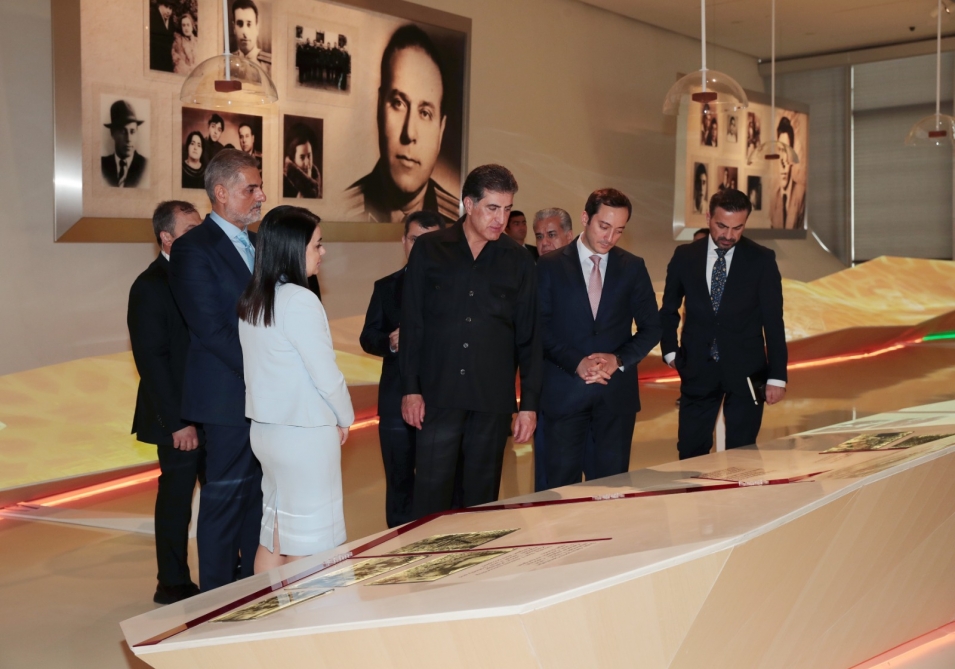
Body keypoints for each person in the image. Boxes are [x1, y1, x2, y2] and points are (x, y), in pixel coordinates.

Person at [400, 164, 541, 518]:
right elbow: (413, 323)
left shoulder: (519, 260)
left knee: (481, 501)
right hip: (437, 396)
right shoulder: (429, 249)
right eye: (492, 208)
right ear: (468, 204)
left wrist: (529, 405)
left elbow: (529, 337)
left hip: (491, 400)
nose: (501, 219)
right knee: (430, 496)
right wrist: (411, 389)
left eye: (507, 209)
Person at [168, 149, 266, 592]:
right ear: (221, 193)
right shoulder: (193, 248)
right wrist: (267, 370)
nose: (261, 196)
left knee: (259, 498)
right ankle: (216, 600)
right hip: (227, 397)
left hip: (265, 395)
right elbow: (212, 329)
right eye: (252, 188)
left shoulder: (260, 243)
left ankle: (251, 589)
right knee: (225, 501)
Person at [238, 206, 354, 572]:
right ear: (293, 247)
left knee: (274, 534)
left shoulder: (253, 298)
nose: (323, 252)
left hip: (266, 432)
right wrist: (345, 417)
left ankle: (266, 607)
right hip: (304, 436)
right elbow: (326, 375)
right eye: (317, 244)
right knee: (311, 543)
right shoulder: (300, 300)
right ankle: (308, 610)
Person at [537, 189, 661, 487]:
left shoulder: (632, 266)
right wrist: (576, 362)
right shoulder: (549, 265)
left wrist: (617, 359)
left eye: (619, 230)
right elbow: (538, 327)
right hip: (564, 395)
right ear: (585, 218)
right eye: (604, 226)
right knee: (559, 492)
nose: (610, 237)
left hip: (614, 400)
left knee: (611, 492)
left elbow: (652, 328)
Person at [660, 188, 788, 461]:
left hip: (747, 372)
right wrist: (670, 351)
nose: (728, 235)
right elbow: (669, 309)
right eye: (721, 226)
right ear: (708, 217)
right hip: (697, 368)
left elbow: (773, 321)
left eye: (737, 228)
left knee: (743, 455)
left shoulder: (762, 259)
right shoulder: (685, 256)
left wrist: (777, 376)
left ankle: (739, 491)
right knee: (691, 452)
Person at [127, 200, 204, 605]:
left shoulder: (203, 275)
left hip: (213, 410)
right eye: (191, 230)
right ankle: (171, 582)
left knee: (223, 495)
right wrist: (178, 422)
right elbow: (151, 362)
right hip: (178, 417)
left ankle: (224, 571)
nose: (201, 236)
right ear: (167, 237)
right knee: (177, 499)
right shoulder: (149, 285)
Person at [360, 210, 446, 528]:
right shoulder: (386, 287)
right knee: (399, 485)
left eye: (430, 241)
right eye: (414, 239)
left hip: (443, 401)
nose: (420, 247)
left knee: (441, 485)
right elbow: (368, 337)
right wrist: (392, 342)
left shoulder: (458, 288)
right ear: (403, 242)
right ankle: (398, 544)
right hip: (396, 400)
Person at [346, 24, 459, 223]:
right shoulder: (341, 210)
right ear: (379, 107)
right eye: (398, 104)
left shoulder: (458, 222)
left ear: (441, 131)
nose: (409, 133)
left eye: (425, 113)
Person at [101, 100, 148, 188]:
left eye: (132, 132)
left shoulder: (146, 166)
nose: (128, 139)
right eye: (123, 132)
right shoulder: (101, 165)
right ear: (112, 133)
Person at [770, 117, 805, 229]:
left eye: (787, 151)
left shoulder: (802, 196)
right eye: (780, 150)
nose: (783, 162)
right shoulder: (773, 200)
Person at [283, 123, 322, 199]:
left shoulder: (318, 185)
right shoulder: (284, 187)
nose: (307, 163)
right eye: (302, 157)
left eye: (309, 156)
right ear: (293, 159)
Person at [232, 0, 271, 73]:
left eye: (249, 24)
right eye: (240, 24)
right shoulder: (227, 63)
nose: (244, 31)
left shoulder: (269, 65)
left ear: (257, 27)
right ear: (234, 28)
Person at [149, 0, 175, 72]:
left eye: (171, 8)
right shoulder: (152, 16)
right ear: (159, 5)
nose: (169, 11)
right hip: (155, 62)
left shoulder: (170, 21)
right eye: (166, 7)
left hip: (166, 62)